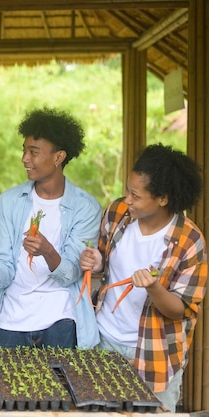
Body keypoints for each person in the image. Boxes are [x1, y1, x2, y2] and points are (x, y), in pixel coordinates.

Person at [79, 143, 207, 412]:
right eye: (127, 190)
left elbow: (180, 309)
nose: (127, 199)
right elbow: (105, 261)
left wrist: (154, 287)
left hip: (155, 353)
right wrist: (97, 261)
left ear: (163, 199)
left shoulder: (189, 241)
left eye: (135, 196)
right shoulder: (117, 214)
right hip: (105, 341)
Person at [0, 107, 102, 349]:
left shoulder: (85, 208)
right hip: (11, 321)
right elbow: (5, 264)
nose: (25, 158)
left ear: (58, 157)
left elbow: (71, 274)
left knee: (57, 387)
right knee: (3, 387)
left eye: (33, 152)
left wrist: (47, 251)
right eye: (24, 150)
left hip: (60, 322)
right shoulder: (10, 201)